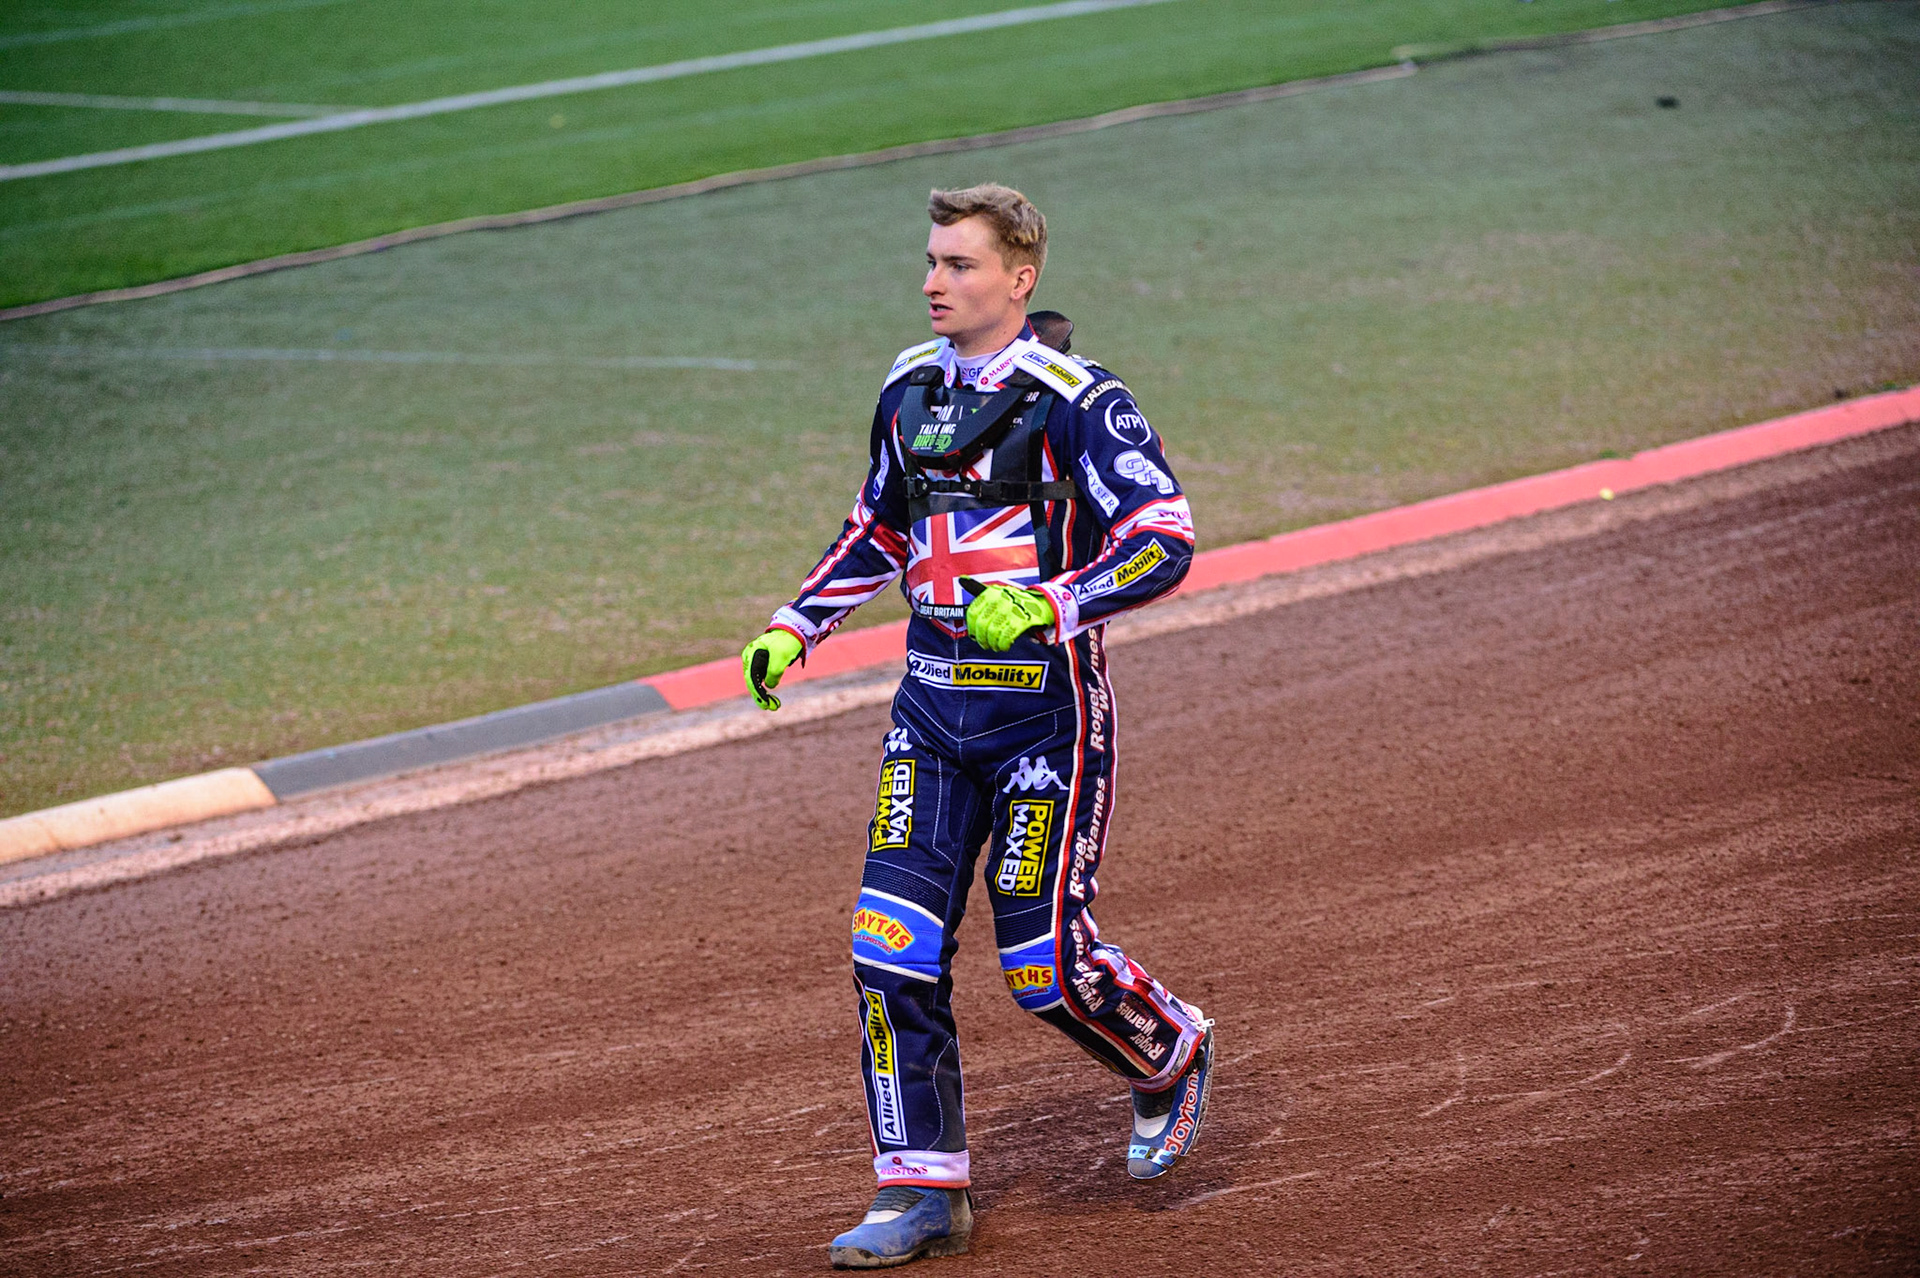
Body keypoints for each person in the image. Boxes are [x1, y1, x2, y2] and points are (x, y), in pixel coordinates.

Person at [740, 184, 1215, 1270]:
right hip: (929, 709)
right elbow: (876, 525)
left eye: (957, 264)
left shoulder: (1079, 400)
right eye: (930, 261)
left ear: (1021, 277)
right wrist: (793, 623)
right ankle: (917, 1190)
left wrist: (1056, 601)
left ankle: (1168, 1050)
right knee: (888, 949)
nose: (932, 282)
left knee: (1044, 967)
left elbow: (1164, 536)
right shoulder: (908, 388)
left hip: (1045, 713)